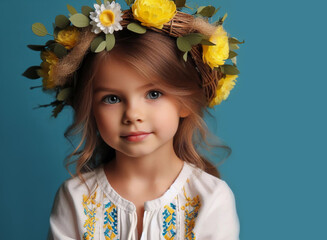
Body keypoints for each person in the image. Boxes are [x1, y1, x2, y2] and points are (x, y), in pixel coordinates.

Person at [23, 1, 243, 239]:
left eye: (153, 94)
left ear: (185, 102)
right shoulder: (75, 197)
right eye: (112, 98)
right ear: (91, 109)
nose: (132, 115)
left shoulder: (210, 198)